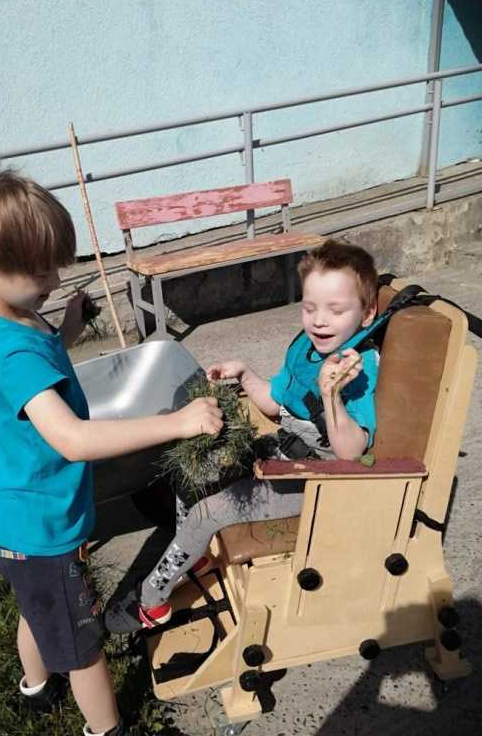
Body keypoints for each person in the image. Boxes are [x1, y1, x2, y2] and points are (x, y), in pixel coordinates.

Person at [0, 170, 223, 736]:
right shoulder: (14, 352)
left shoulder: (7, 318)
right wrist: (178, 423)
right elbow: (74, 440)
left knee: (38, 610)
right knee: (82, 645)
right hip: (43, 529)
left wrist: (70, 326)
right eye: (42, 272)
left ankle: (35, 689)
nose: (55, 281)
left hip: (16, 520)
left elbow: (44, 350)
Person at [105, 239, 379, 634]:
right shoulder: (306, 349)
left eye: (336, 310)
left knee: (210, 510)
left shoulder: (359, 368)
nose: (319, 321)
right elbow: (275, 404)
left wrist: (331, 396)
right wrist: (246, 374)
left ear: (367, 314)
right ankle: (194, 551)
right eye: (309, 308)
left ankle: (152, 601)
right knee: (188, 472)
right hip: (282, 453)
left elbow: (350, 454)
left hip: (319, 480)